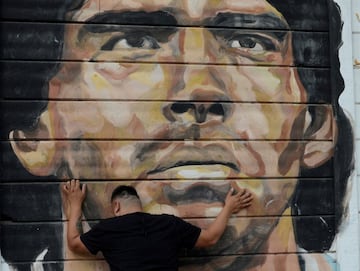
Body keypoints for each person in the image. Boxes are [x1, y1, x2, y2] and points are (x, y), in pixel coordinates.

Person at [1, 0, 354, 271]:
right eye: (133, 40)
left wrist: (73, 204)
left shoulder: (111, 234)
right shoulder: (166, 227)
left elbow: (78, 244)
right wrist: (231, 206)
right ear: (38, 135)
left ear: (317, 127)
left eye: (249, 42)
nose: (199, 90)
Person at [61, 179, 253, 271]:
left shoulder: (108, 229)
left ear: (116, 206)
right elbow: (210, 238)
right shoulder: (169, 224)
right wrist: (228, 207)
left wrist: (76, 203)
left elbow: (74, 243)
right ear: (139, 204)